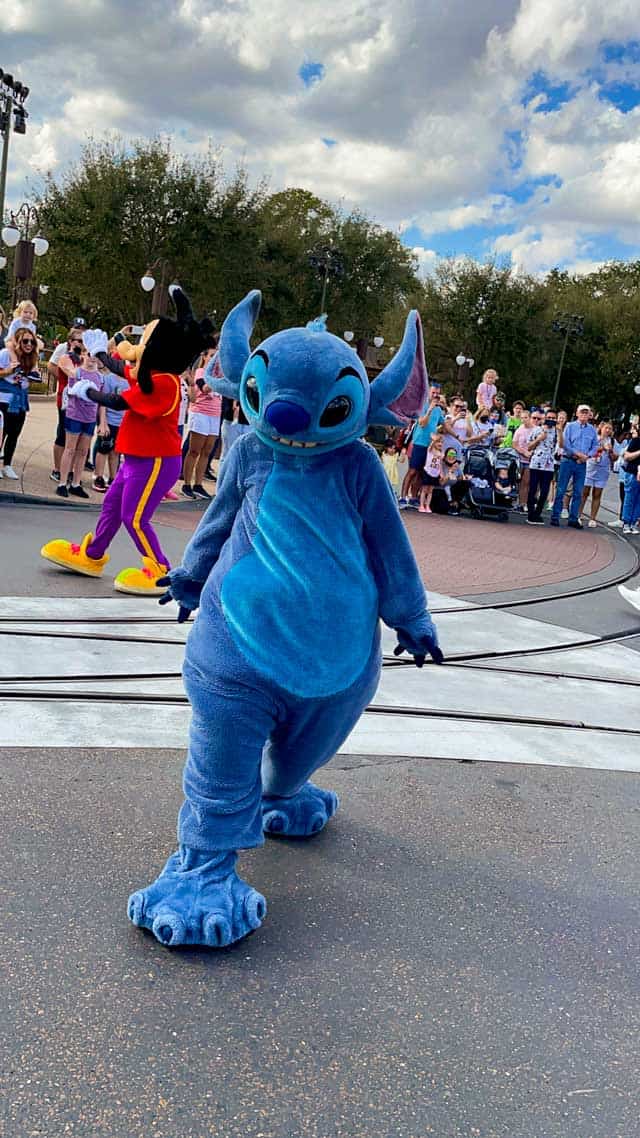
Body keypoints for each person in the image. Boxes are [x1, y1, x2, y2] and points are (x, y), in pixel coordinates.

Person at [41, 286, 215, 594]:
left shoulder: (165, 383)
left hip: (155, 462)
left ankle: (160, 570)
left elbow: (120, 400)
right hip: (136, 458)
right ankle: (93, 555)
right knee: (111, 505)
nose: (138, 348)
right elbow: (127, 369)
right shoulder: (154, 373)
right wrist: (100, 356)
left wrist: (88, 392)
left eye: (145, 342)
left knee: (135, 518)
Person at [57, 346, 104, 498]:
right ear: (83, 354)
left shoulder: (100, 377)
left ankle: (76, 483)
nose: (92, 358)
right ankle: (62, 483)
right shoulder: (76, 372)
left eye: (96, 355)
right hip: (75, 415)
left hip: (89, 418)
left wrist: (102, 422)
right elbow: (71, 392)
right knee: (70, 449)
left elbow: (102, 402)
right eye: (89, 354)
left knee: (83, 451)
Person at [181, 345, 221, 500]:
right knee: (194, 450)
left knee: (207, 450)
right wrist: (217, 380)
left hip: (215, 414)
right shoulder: (201, 372)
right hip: (200, 413)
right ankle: (186, 484)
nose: (215, 359)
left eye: (217, 356)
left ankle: (198, 484)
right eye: (212, 356)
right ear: (205, 357)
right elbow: (204, 388)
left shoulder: (219, 376)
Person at [0, 327, 40, 478]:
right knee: (1, 433)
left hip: (20, 400)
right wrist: (7, 371)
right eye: (25, 341)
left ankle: (7, 465)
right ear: (17, 342)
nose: (29, 344)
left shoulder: (31, 358)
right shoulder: (5, 354)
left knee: (14, 434)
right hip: (4, 399)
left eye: (32, 341)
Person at [550, 405, 599, 529]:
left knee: (578, 491)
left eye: (586, 413)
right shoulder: (570, 426)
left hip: (581, 464)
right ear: (577, 413)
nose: (584, 415)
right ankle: (555, 516)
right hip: (568, 460)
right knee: (561, 489)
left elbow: (595, 447)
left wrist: (586, 456)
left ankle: (573, 518)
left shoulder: (592, 430)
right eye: (582, 412)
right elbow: (565, 444)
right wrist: (578, 454)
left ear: (589, 415)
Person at [399, 382, 445, 506]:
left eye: (437, 393)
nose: (435, 395)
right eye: (433, 392)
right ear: (428, 392)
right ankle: (402, 497)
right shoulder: (422, 406)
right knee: (412, 471)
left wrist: (456, 436)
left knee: (421, 472)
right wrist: (430, 409)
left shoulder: (439, 409)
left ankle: (413, 498)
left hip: (431, 446)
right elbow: (422, 423)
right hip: (419, 443)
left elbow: (443, 425)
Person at [50, 327, 86, 481]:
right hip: (66, 401)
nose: (79, 343)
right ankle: (57, 469)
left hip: (82, 403)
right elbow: (75, 375)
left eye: (82, 341)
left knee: (76, 439)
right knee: (63, 435)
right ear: (70, 341)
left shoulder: (84, 359)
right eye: (76, 340)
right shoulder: (66, 358)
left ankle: (69, 470)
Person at [580, 421, 615, 527]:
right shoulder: (594, 438)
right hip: (590, 468)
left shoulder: (612, 441)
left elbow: (615, 458)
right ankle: (578, 515)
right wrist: (601, 448)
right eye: (606, 428)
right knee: (584, 492)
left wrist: (611, 451)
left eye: (610, 428)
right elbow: (588, 451)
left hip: (602, 470)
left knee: (597, 494)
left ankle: (593, 518)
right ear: (601, 428)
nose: (608, 430)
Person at [526, 408, 557, 524]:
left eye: (553, 418)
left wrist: (559, 432)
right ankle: (530, 513)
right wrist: (539, 439)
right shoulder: (537, 430)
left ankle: (538, 513)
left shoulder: (557, 432)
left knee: (544, 491)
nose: (551, 420)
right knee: (533, 489)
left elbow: (561, 446)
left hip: (549, 465)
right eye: (549, 418)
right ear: (545, 418)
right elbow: (529, 447)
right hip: (536, 463)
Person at [513, 409, 535, 511]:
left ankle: (523, 503)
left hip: (530, 460)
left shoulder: (535, 429)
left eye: (525, 418)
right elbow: (515, 444)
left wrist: (531, 453)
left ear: (529, 418)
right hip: (519, 459)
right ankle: (515, 502)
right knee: (516, 481)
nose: (523, 420)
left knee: (526, 483)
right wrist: (523, 452)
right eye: (522, 418)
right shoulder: (519, 429)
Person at [619, 427, 640, 535]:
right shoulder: (636, 441)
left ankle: (634, 522)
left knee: (638, 500)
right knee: (630, 497)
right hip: (633, 473)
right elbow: (626, 456)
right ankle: (626, 522)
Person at [419, 431, 443, 513]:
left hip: (435, 474)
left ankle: (427, 506)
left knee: (430, 491)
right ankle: (421, 505)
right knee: (424, 489)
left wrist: (441, 473)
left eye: (441, 442)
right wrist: (433, 440)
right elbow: (431, 446)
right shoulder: (430, 450)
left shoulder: (441, 453)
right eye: (438, 442)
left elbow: (440, 465)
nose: (440, 444)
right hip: (427, 472)